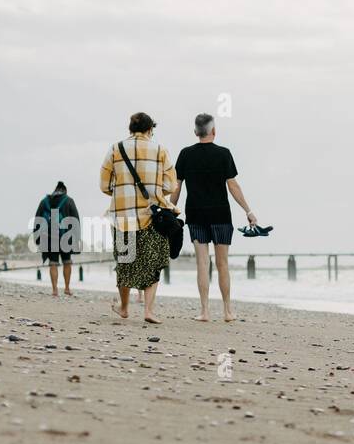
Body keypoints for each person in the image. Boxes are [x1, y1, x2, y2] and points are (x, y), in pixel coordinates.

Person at [171, 113, 257, 322]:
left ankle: (205, 311)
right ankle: (227, 311)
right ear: (214, 131)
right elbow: (233, 185)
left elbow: (177, 186)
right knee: (223, 264)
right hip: (220, 215)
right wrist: (248, 210)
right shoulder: (224, 154)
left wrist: (170, 209)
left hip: (196, 214)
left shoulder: (185, 154)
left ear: (195, 132)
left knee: (202, 263)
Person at [100, 112, 179, 324]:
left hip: (122, 216)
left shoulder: (115, 149)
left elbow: (104, 185)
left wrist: (121, 192)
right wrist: (155, 190)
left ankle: (124, 308)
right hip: (152, 216)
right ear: (150, 129)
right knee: (154, 262)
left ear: (130, 129)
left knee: (125, 261)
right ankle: (149, 311)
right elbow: (172, 185)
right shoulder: (161, 150)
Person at [32, 181, 81, 296]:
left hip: (49, 237)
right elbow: (76, 220)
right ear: (65, 191)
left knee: (53, 263)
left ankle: (55, 290)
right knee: (67, 262)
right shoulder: (69, 200)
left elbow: (37, 219)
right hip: (65, 236)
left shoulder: (44, 202)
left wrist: (37, 237)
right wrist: (76, 239)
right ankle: (67, 288)